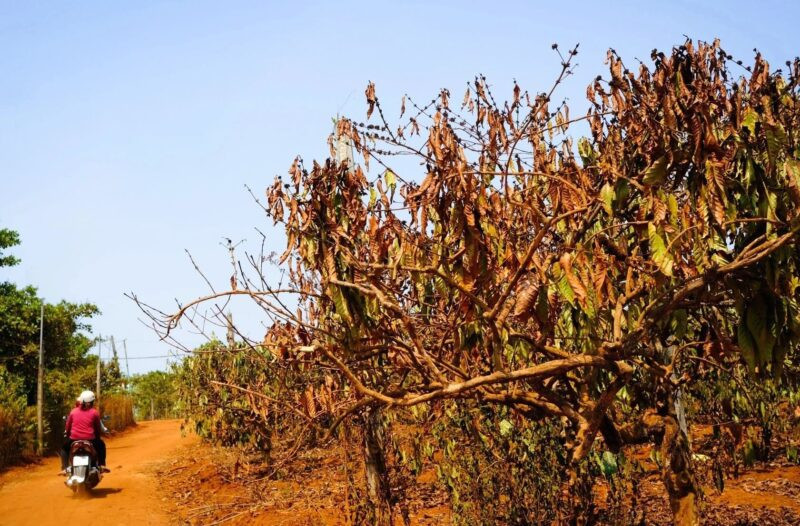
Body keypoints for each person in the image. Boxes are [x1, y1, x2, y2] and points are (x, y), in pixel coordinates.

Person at [60, 390, 110, 473]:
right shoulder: (94, 413)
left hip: (74, 439)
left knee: (64, 449)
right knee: (101, 445)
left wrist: (68, 434)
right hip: (90, 439)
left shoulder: (73, 412)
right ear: (91, 402)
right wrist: (98, 436)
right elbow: (98, 427)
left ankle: (65, 468)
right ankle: (101, 465)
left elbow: (68, 427)